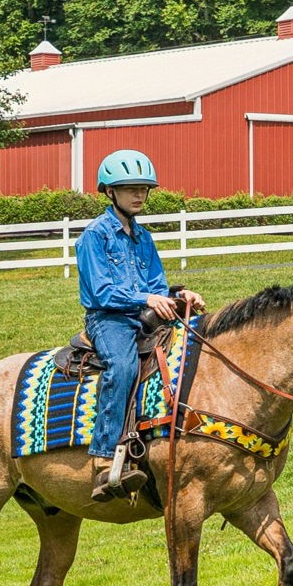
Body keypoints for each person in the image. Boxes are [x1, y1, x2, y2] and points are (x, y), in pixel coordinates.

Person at [76, 150, 204, 501]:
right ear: (110, 192)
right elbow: (101, 291)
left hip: (144, 315)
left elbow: (156, 286)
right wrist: (147, 299)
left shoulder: (143, 237)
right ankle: (104, 460)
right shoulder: (95, 236)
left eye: (144, 189)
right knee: (123, 366)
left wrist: (179, 296)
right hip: (109, 319)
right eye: (130, 188)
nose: (139, 195)